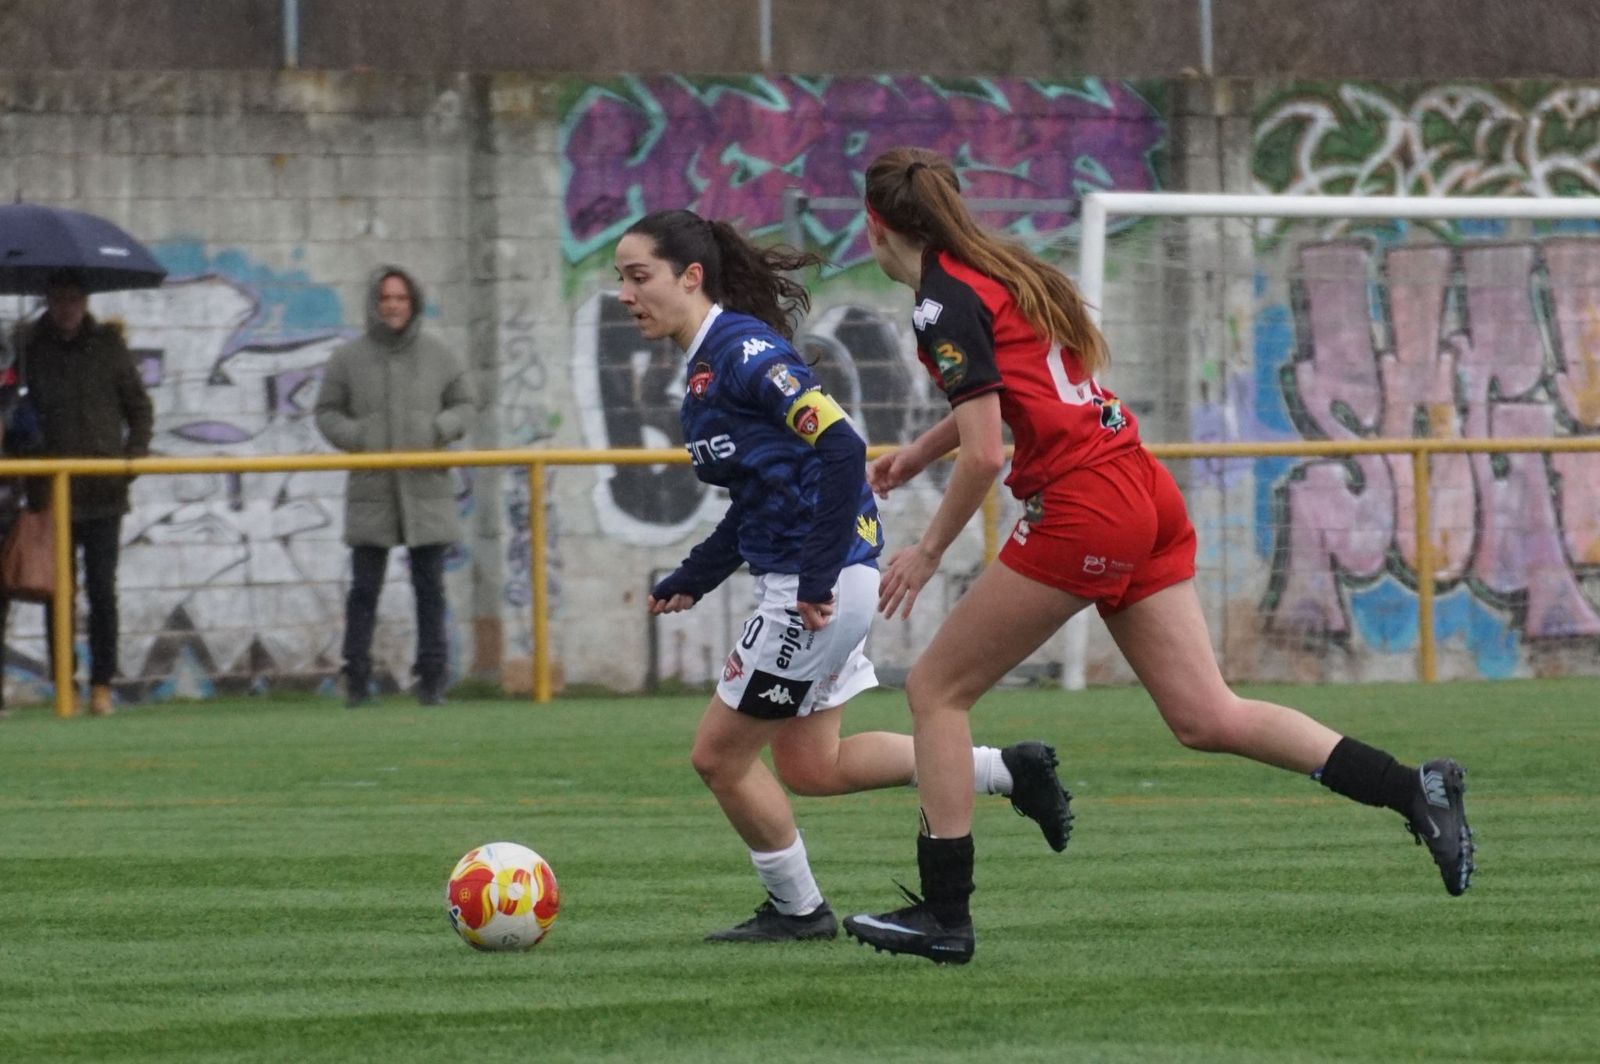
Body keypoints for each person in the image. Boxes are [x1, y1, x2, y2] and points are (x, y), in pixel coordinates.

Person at [840, 148, 1475, 966]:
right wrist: (918, 456)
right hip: (1140, 486)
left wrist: (928, 550)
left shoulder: (940, 302)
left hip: (1085, 506)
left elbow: (987, 454)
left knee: (935, 689)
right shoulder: (1003, 270)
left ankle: (944, 915)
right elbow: (1012, 405)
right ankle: (1412, 788)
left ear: (874, 225)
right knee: (1206, 715)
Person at [615, 208, 1075, 944]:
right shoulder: (707, 367)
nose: (625, 293)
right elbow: (762, 498)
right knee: (812, 765)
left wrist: (815, 582)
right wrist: (694, 576)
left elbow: (841, 447)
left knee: (719, 758)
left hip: (814, 589)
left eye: (639, 276)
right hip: (820, 579)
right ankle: (1007, 771)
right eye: (620, 279)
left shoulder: (743, 351)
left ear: (691, 277)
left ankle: (799, 912)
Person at [314, 266, 477, 707]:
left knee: (430, 589)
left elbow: (465, 404)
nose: (392, 306)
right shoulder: (348, 359)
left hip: (426, 489)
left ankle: (432, 680)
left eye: (400, 298)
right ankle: (358, 679)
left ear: (413, 302)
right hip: (372, 488)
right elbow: (327, 412)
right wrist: (360, 438)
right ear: (375, 303)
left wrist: (438, 428)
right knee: (364, 589)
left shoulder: (439, 355)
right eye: (385, 298)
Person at [19, 271, 154, 718]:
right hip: (50, 493)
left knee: (102, 592)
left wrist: (129, 461)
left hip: (103, 493)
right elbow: (15, 410)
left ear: (84, 301)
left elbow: (139, 408)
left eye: (73, 299)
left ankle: (102, 685)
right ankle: (65, 683)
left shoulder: (109, 348)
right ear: (48, 301)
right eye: (58, 299)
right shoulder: (27, 348)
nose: (65, 308)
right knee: (57, 593)